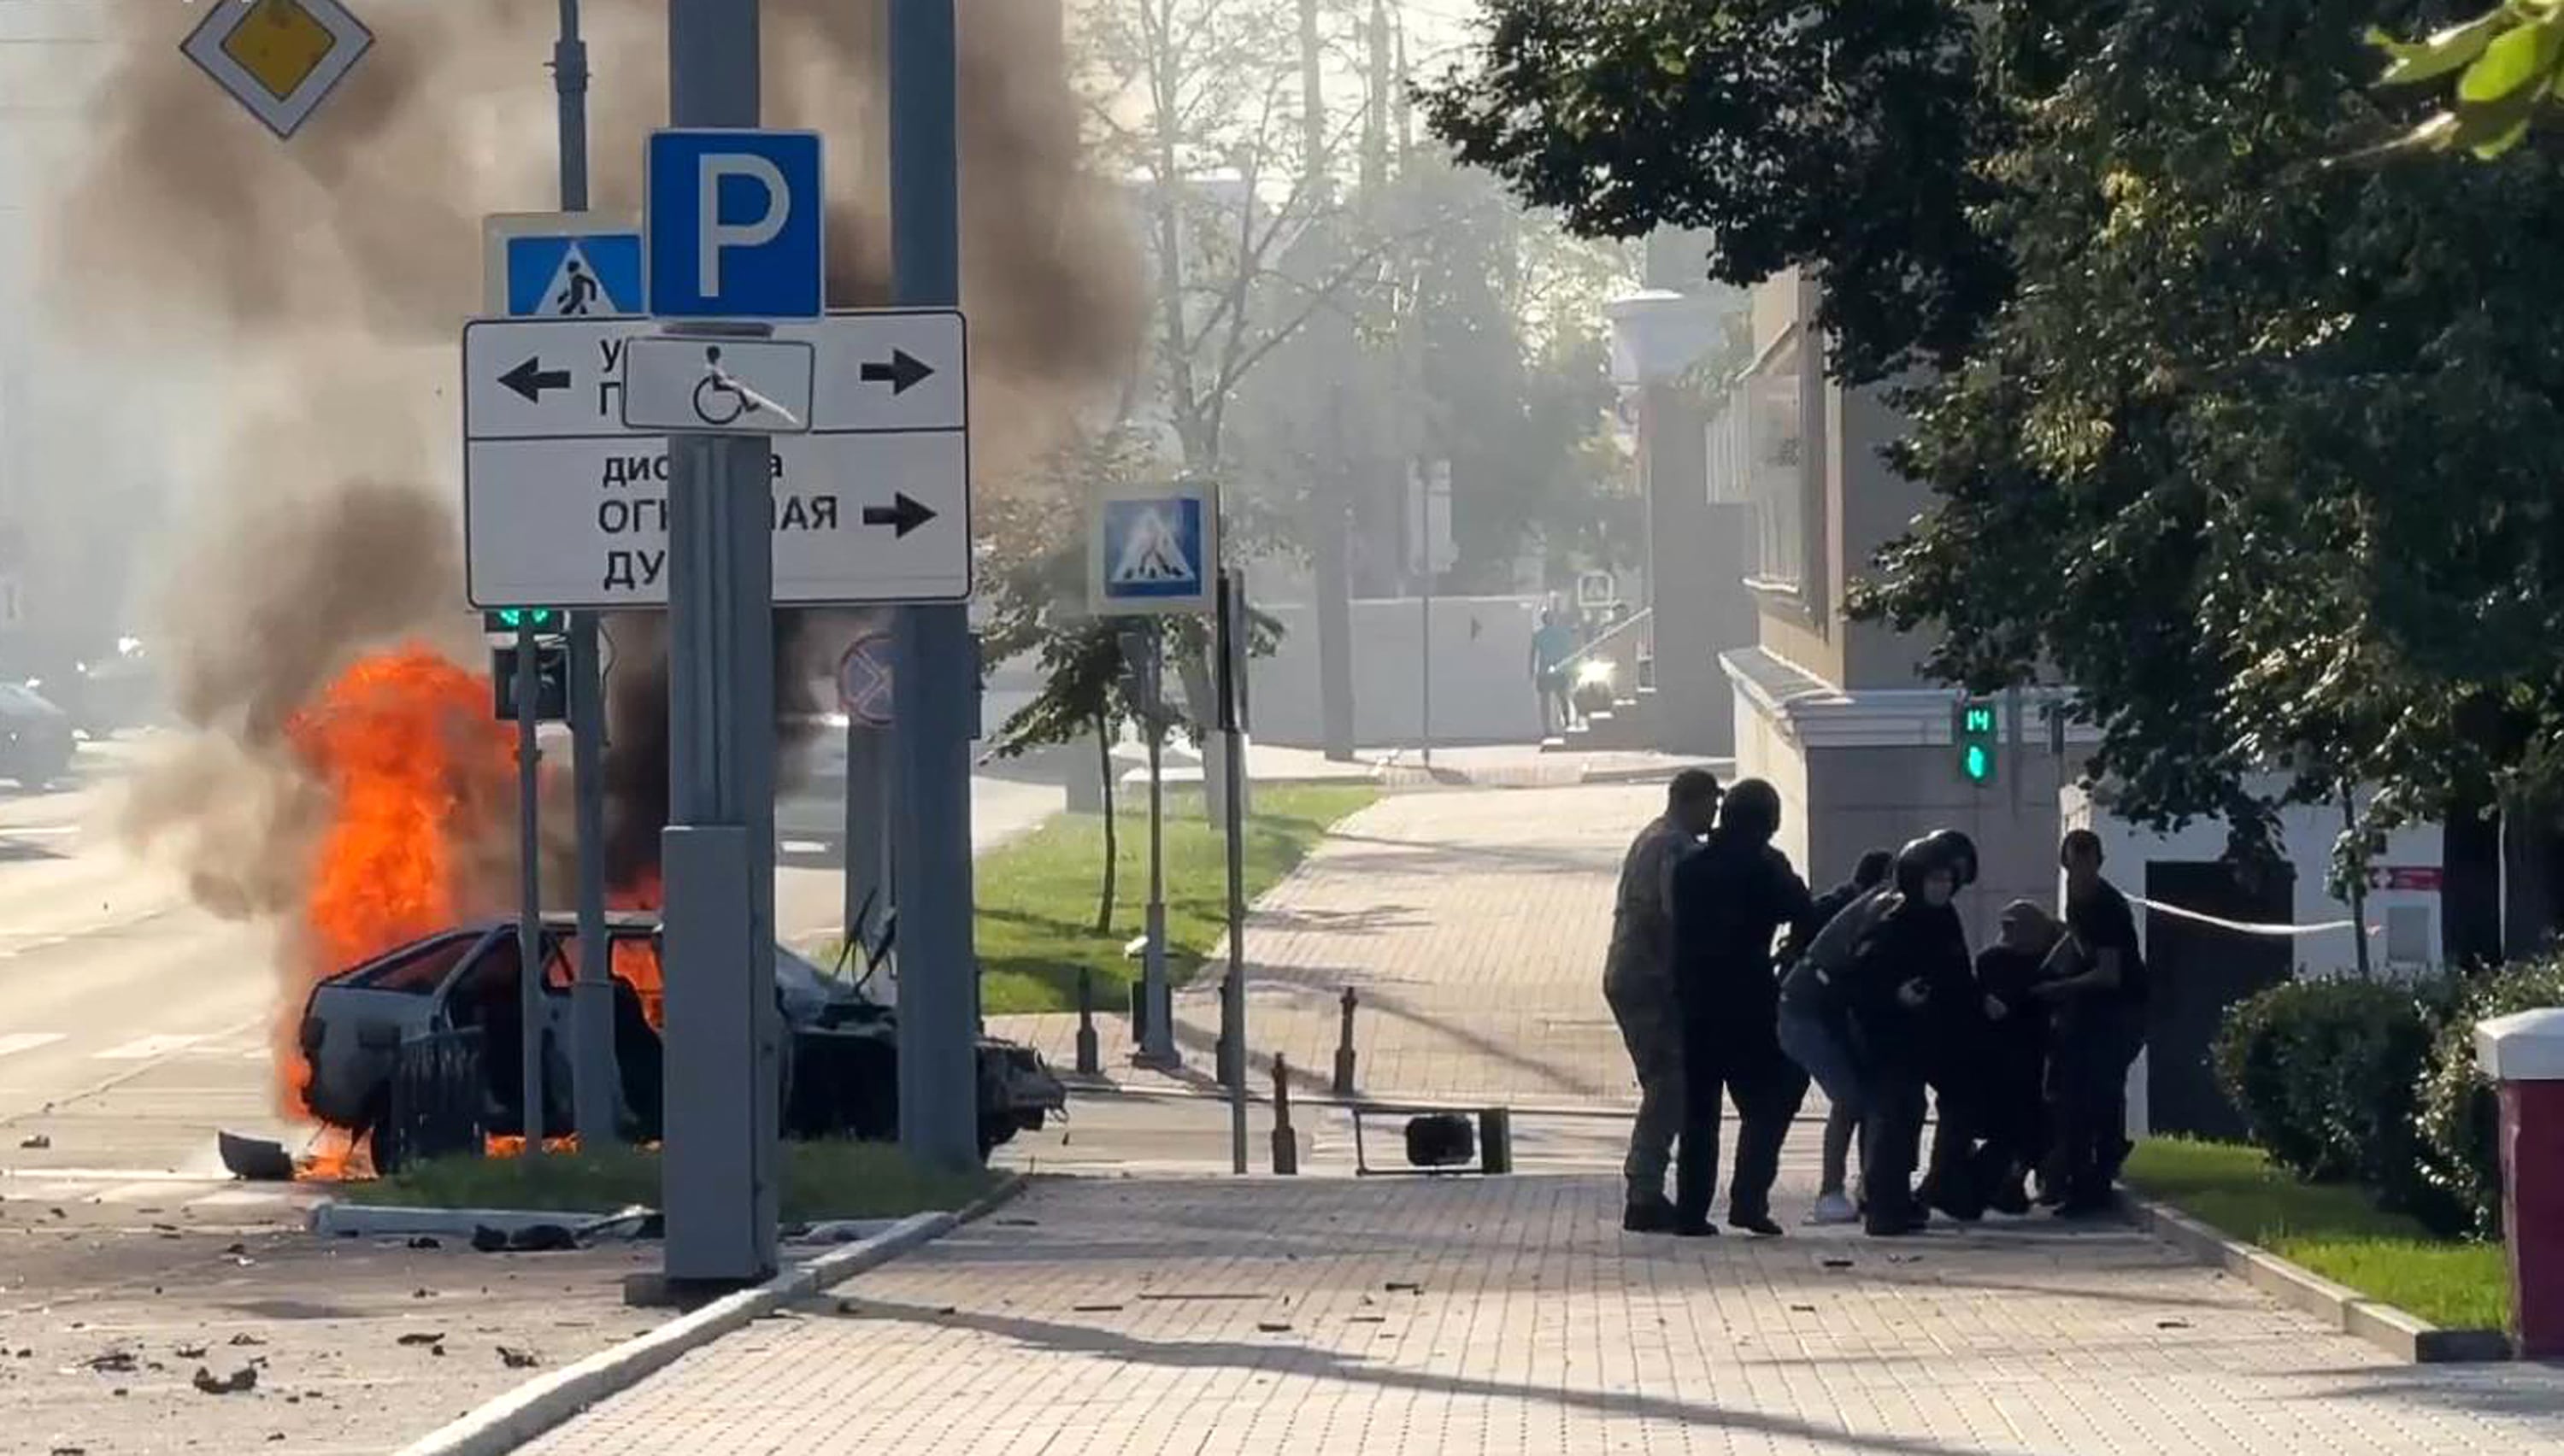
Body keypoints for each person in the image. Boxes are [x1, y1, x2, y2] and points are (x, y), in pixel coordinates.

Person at [1668, 779, 1814, 1236]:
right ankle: (1749, 1199)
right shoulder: (1766, 866)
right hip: (1749, 1002)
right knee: (1775, 1095)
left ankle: (1691, 1212)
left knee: (1699, 1114)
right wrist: (1791, 953)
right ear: (1769, 821)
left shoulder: (1690, 868)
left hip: (1695, 1002)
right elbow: (1803, 910)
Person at [1602, 769, 1724, 1232]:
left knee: (1666, 1082)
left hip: (1635, 972)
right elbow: (1677, 914)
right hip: (1650, 977)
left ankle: (1646, 1187)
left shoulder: (1653, 837)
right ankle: (1644, 1189)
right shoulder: (1674, 848)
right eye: (1711, 805)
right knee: (1668, 1084)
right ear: (1694, 801)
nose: (1714, 815)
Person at [1840, 835, 1973, 1236]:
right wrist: (1896, 995)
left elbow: (1957, 972)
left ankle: (1919, 1193)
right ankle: (1884, 1206)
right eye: (1934, 878)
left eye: (1947, 879)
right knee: (1893, 1117)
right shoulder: (1889, 922)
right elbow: (1862, 983)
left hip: (1928, 1035)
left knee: (1916, 1113)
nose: (1942, 886)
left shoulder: (1944, 919)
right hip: (1889, 1037)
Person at [1775, 848, 1894, 1225]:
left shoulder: (1853, 907)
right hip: (1808, 1013)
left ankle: (1866, 1184)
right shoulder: (1874, 909)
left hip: (1818, 1012)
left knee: (1863, 1097)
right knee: (1850, 1099)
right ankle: (1831, 1191)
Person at [2038, 829, 2149, 1216]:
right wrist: (2045, 971)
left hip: (2119, 1008)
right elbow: (2075, 942)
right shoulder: (2078, 900)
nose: (2081, 871)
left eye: (2087, 863)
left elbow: (2108, 974)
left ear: (2098, 863)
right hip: (2093, 1010)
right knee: (2073, 1094)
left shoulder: (2105, 905)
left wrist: (2059, 987)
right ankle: (2077, 1175)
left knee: (2097, 1095)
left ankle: (2095, 1180)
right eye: (2075, 864)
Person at [1972, 899, 2063, 1215]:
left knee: (2032, 1126)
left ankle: (2015, 1181)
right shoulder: (1995, 961)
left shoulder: (2045, 961)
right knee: (2013, 1128)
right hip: (2005, 1056)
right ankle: (1999, 1183)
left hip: (2034, 1053)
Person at [1531, 608, 1579, 735]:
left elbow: (1533, 654)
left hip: (1548, 671)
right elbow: (1570, 650)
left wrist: (1531, 670)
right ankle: (1563, 724)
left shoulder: (1540, 635)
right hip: (1557, 670)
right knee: (1561, 698)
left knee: (1551, 700)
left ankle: (1550, 727)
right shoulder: (1561, 633)